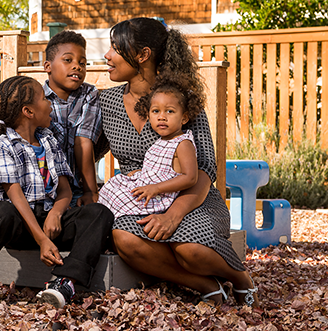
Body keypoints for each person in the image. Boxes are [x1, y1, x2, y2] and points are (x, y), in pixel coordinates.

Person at [99, 17, 259, 307]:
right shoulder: (107, 102)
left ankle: (239, 277)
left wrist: (173, 215)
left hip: (191, 196)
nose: (107, 56)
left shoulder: (179, 101)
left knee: (190, 249)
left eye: (115, 48)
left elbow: (204, 168)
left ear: (142, 55)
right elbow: (86, 150)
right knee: (125, 239)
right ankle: (203, 284)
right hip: (141, 200)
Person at [0, 76, 114, 309]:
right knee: (0, 211)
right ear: (28, 111)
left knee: (99, 213)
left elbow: (65, 191)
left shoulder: (49, 140)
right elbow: (15, 196)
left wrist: (56, 214)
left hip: (50, 222)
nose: (49, 103)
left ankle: (65, 282)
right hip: (20, 224)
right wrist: (42, 239)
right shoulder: (2, 144)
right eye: (43, 99)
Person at [98, 73, 203, 216]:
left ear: (184, 118)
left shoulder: (182, 143)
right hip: (149, 186)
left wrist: (156, 188)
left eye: (170, 111)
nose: (162, 117)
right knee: (111, 187)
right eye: (155, 111)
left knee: (120, 199)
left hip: (162, 195)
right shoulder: (161, 141)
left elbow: (190, 177)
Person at [43, 31, 102, 206]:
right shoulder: (36, 99)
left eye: (82, 63)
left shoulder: (89, 94)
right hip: (44, 187)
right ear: (48, 66)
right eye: (68, 60)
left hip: (77, 188)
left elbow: (83, 141)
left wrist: (90, 191)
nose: (77, 66)